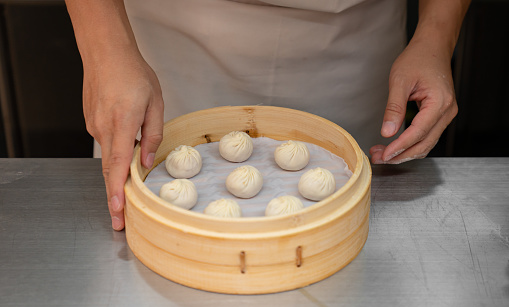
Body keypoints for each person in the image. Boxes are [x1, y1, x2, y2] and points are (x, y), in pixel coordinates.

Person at [65, 0, 471, 231]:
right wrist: (103, 45)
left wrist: (437, 33)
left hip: (353, 42)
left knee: (334, 214)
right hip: (169, 39)